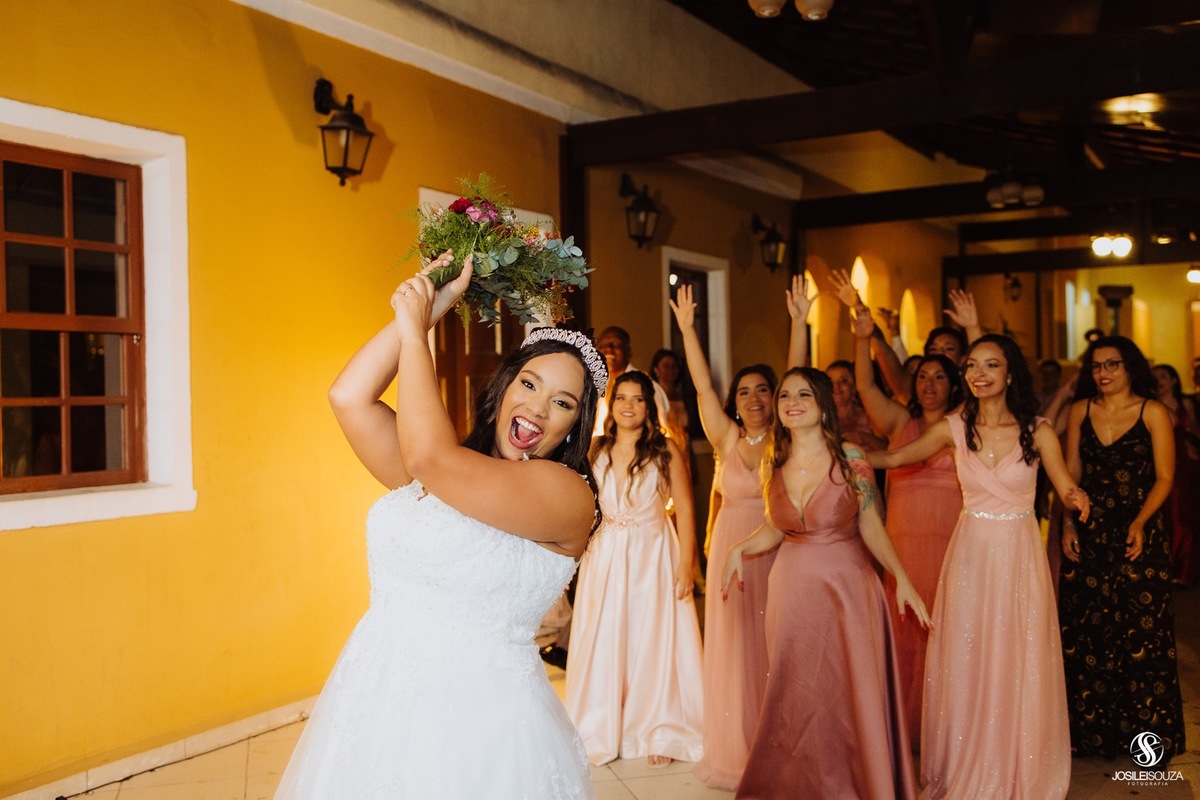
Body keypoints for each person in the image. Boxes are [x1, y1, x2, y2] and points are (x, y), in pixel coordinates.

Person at [275, 252, 606, 799]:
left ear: (576, 425)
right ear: (503, 388)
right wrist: (432, 307)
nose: (539, 408)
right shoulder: (444, 468)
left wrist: (414, 336)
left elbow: (429, 457)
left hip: (482, 725)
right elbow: (349, 396)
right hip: (374, 702)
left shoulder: (567, 496)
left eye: (563, 402)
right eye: (529, 384)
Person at [868, 334, 1090, 800]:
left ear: (1010, 374)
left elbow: (1065, 484)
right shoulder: (953, 428)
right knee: (969, 654)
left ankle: (1018, 764)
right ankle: (968, 759)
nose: (979, 373)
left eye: (991, 365)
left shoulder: (1039, 430)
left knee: (1015, 653)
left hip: (1018, 554)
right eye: (972, 365)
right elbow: (893, 458)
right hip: (970, 555)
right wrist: (845, 453)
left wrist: (1076, 497)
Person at [722, 367, 930, 800]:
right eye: (784, 396)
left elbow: (871, 525)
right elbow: (774, 529)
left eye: (803, 394)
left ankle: (856, 784)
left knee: (848, 693)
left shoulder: (851, 457)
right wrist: (737, 549)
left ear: (823, 405)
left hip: (847, 590)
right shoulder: (772, 461)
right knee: (795, 691)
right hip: (791, 590)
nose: (791, 403)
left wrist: (902, 580)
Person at [669, 280, 784, 790]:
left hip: (779, 546)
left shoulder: (787, 439)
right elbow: (701, 388)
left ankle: (779, 744)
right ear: (735, 402)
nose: (754, 398)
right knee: (736, 649)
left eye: (764, 389)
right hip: (730, 551)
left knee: (777, 644)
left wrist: (799, 323)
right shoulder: (726, 437)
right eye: (745, 391)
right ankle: (736, 746)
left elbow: (798, 378)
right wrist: (688, 330)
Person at [564, 371, 704, 768]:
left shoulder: (666, 449)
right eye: (621, 397)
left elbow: (687, 508)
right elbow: (578, 505)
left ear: (649, 405)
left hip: (652, 550)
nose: (628, 405)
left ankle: (656, 726)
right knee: (604, 634)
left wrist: (685, 564)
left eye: (637, 399)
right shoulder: (594, 450)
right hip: (605, 552)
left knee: (651, 637)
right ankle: (598, 724)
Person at [1059, 337, 1184, 761]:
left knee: (1142, 633)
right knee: (1089, 631)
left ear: (1130, 367)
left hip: (1139, 531)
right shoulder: (1080, 411)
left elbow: (1165, 477)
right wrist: (1066, 524)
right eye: (1095, 366)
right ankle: (1093, 736)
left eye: (1112, 364)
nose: (1103, 372)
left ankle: (1145, 741)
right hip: (1091, 531)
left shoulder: (1153, 412)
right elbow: (1072, 473)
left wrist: (1141, 521)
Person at [852, 307, 963, 747]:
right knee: (902, 634)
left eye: (939, 377)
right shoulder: (900, 421)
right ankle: (904, 724)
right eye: (923, 377)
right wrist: (863, 337)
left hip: (951, 544)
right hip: (901, 543)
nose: (929, 385)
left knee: (948, 631)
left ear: (954, 384)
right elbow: (864, 386)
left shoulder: (964, 428)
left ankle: (947, 726)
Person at [1153, 363, 1200, 586]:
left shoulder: (1186, 403)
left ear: (1173, 379)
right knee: (1166, 510)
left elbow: (1194, 429)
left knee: (1185, 511)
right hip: (1163, 460)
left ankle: (1186, 569)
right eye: (1156, 377)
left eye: (1163, 376)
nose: (1159, 381)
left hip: (1185, 461)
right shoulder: (1152, 405)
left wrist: (1192, 443)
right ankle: (1168, 565)